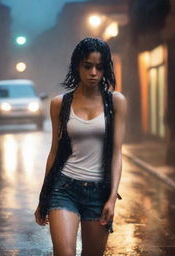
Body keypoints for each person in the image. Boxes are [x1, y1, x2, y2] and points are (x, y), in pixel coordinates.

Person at [34, 37, 127, 256]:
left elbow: (116, 153)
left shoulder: (116, 102)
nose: (94, 72)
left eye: (99, 67)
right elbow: (54, 153)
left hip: (99, 192)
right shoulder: (60, 104)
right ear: (77, 66)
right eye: (88, 66)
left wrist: (112, 198)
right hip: (64, 188)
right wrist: (43, 197)